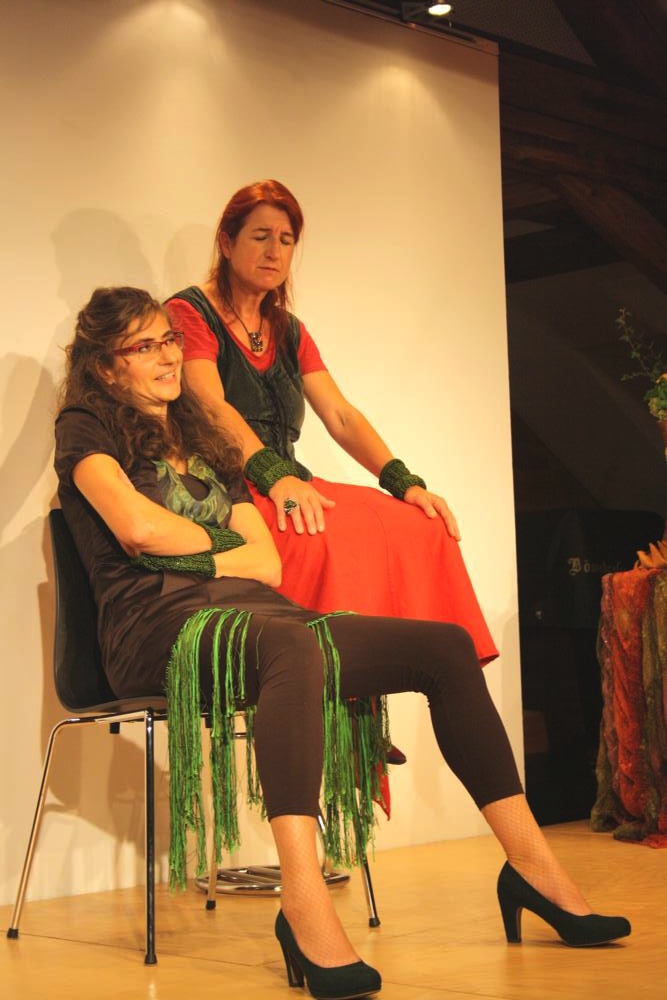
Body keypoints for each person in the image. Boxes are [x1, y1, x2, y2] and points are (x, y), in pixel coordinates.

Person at [55, 287, 630, 1000]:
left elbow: (266, 562)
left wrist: (197, 550)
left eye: (170, 339)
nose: (168, 356)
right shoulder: (85, 427)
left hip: (259, 615)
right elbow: (136, 528)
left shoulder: (202, 433)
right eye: (145, 346)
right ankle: (303, 904)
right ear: (106, 366)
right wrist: (220, 549)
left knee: (444, 647)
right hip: (155, 629)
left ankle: (532, 867)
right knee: (291, 648)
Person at [166, 180, 498, 668]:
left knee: (422, 525)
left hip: (288, 480)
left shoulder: (289, 329)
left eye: (286, 240)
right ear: (227, 243)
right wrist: (274, 477)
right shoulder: (188, 311)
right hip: (228, 486)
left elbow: (341, 416)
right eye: (261, 236)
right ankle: (335, 677)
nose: (274, 251)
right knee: (321, 536)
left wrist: (403, 481)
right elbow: (211, 406)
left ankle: (425, 665)